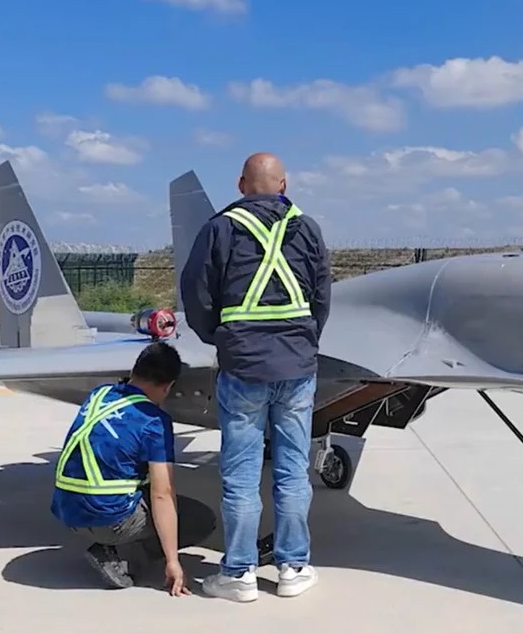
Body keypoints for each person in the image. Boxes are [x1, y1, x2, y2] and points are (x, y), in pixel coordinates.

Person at [180, 152, 332, 603]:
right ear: (284, 185)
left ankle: (239, 574)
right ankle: (294, 568)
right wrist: (304, 341)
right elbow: (322, 295)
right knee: (292, 471)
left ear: (241, 184)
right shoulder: (307, 229)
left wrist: (221, 338)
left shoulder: (219, 229)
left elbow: (196, 293)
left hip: (244, 367)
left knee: (241, 475)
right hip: (297, 367)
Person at [50, 340, 217, 595]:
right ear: (168, 386)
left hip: (67, 509)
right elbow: (162, 494)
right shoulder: (154, 421)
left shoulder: (100, 394)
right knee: (199, 519)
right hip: (108, 518)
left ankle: (111, 542)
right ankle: (121, 557)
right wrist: (172, 561)